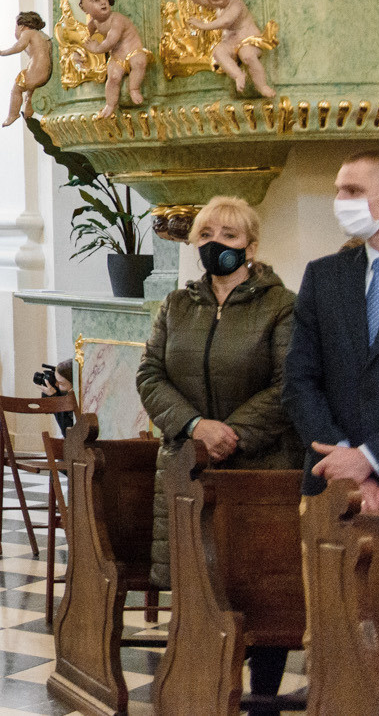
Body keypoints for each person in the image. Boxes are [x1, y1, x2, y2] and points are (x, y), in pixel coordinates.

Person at [134, 195, 296, 698]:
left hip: (259, 469)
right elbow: (150, 374)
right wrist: (196, 426)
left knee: (260, 593)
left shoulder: (281, 305)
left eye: (228, 235)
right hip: (189, 465)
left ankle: (263, 700)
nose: (215, 244)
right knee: (197, 588)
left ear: (251, 245)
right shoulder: (177, 306)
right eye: (205, 235)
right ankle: (205, 696)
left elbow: (289, 384)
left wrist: (232, 433)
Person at [285, 150, 379, 514]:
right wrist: (343, 462)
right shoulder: (323, 276)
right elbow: (298, 380)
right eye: (338, 191)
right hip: (330, 484)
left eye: (353, 191)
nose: (340, 202)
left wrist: (370, 458)